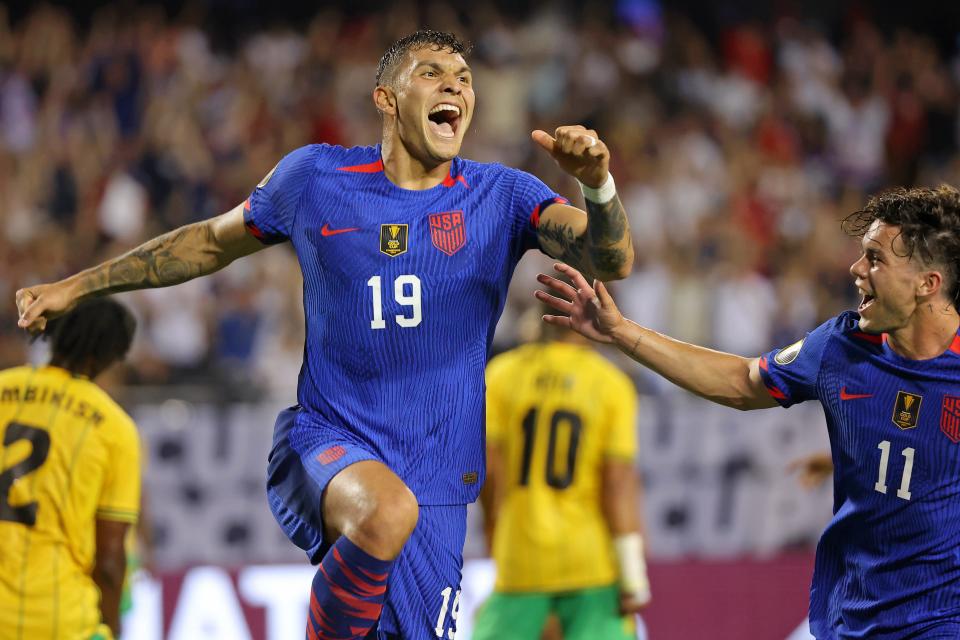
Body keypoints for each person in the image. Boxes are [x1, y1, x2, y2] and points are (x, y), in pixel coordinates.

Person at [15, 30, 634, 640]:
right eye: (431, 73)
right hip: (328, 443)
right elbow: (205, 243)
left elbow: (610, 259)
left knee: (400, 528)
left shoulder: (501, 197)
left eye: (464, 79)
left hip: (441, 483)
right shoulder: (314, 179)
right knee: (387, 510)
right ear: (386, 99)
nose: (455, 86)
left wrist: (599, 186)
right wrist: (78, 286)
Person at [536, 185, 960, 639]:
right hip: (852, 619)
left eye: (875, 259)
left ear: (927, 284)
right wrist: (621, 333)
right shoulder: (842, 346)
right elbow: (743, 382)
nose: (856, 270)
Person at [473, 307, 650, 640]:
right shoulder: (610, 384)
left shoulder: (502, 374)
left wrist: (498, 537)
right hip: (590, 564)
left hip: (521, 560)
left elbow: (489, 474)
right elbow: (617, 485)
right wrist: (632, 573)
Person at [0, 299, 139, 640]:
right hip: (59, 619)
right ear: (112, 356)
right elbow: (108, 561)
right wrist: (112, 628)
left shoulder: (3, 386)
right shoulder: (113, 428)